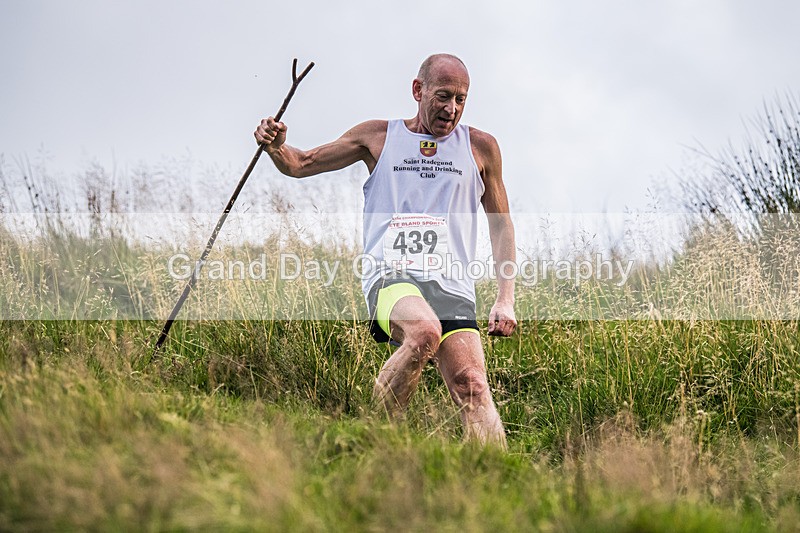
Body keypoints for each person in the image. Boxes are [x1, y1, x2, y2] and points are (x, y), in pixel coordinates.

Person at [254, 53, 516, 447]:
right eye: (443, 96)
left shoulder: (480, 147)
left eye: (460, 99)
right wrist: (277, 147)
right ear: (418, 90)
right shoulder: (378, 136)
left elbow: (501, 225)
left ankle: (497, 472)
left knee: (472, 385)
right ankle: (374, 439)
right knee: (424, 332)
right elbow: (301, 163)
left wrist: (505, 298)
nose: (451, 109)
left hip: (453, 285)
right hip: (393, 275)